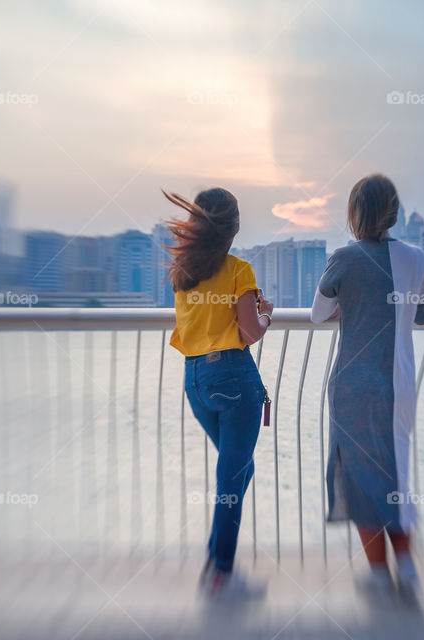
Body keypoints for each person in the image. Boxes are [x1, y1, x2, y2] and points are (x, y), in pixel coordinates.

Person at [311, 174, 424, 599]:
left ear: (354, 214)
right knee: (396, 471)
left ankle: (379, 574)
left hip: (352, 385)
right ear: (394, 212)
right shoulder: (415, 258)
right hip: (399, 384)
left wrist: (352, 306)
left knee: (360, 476)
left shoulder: (343, 259)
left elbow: (318, 314)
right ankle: (406, 566)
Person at [164, 187, 273, 600]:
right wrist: (267, 314)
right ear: (233, 228)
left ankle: (215, 561)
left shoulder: (182, 273)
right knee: (232, 476)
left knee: (238, 472)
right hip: (233, 380)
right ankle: (221, 574)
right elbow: (249, 333)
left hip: (196, 383)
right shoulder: (239, 270)